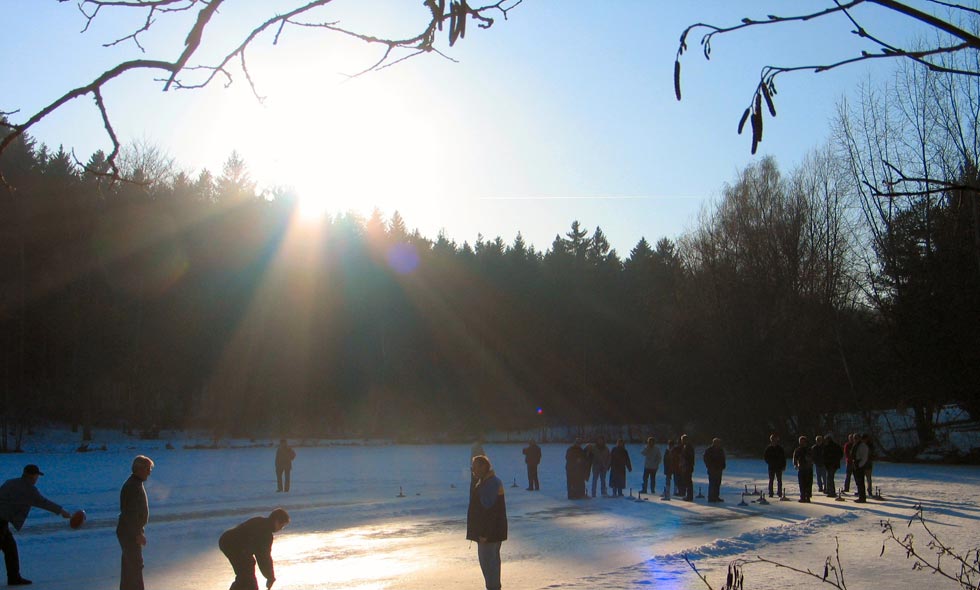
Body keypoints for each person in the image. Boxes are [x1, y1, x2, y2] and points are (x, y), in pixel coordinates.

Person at [0, 464, 72, 585]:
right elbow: (43, 502)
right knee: (10, 549)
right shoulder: (29, 489)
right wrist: (62, 511)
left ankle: (14, 578)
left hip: (2, 521)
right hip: (0, 521)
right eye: (36, 476)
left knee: (10, 548)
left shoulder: (10, 482)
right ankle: (14, 577)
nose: (37, 478)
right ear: (32, 476)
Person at [219, 508, 290, 590]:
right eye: (282, 526)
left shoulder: (260, 521)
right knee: (246, 575)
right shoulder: (266, 534)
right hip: (232, 545)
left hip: (228, 541)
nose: (280, 529)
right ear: (276, 521)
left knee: (246, 572)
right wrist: (270, 577)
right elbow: (264, 558)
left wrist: (269, 576)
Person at [466, 455, 507, 590]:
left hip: (489, 535)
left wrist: (485, 533)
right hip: (490, 533)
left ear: (483, 467)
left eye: (475, 467)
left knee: (489, 565)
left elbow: (490, 511)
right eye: (472, 467)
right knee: (490, 564)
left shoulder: (491, 483)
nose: (473, 470)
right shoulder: (485, 482)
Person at [118, 455, 155, 590]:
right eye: (148, 469)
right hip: (129, 533)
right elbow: (130, 514)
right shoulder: (133, 486)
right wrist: (137, 534)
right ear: (139, 469)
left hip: (127, 531)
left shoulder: (134, 483)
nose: (149, 472)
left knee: (130, 567)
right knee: (134, 567)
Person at [703, 438, 726, 502]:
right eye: (717, 443)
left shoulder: (720, 450)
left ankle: (716, 496)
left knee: (718, 483)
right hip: (712, 469)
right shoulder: (709, 450)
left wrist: (723, 465)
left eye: (718, 443)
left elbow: (723, 458)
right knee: (712, 483)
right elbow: (705, 458)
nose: (718, 444)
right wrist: (709, 466)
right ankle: (711, 497)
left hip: (719, 469)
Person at [793, 436, 813, 502]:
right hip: (801, 468)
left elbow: (813, 457)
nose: (802, 443)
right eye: (801, 441)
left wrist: (809, 459)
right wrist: (795, 464)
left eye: (803, 441)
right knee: (802, 484)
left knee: (808, 484)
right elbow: (795, 458)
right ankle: (803, 496)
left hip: (808, 469)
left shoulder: (809, 449)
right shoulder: (797, 450)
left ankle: (808, 497)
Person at [852, 433, 871, 503]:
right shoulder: (855, 445)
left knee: (861, 482)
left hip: (860, 465)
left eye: (856, 438)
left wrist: (859, 465)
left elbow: (864, 458)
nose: (855, 439)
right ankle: (860, 496)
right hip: (855, 464)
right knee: (858, 482)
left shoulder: (863, 446)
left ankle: (862, 497)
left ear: (860, 438)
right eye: (854, 438)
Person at [679, 434, 696, 501]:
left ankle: (689, 496)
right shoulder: (685, 447)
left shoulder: (688, 447)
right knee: (687, 481)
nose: (682, 441)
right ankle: (688, 495)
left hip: (687, 467)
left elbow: (689, 457)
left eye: (683, 440)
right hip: (686, 466)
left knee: (688, 481)